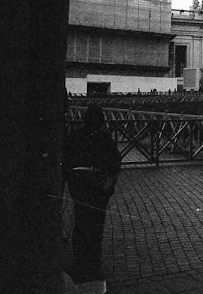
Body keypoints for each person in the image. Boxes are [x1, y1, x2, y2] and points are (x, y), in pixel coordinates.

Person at [63, 104, 121, 285]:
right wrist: (107, 186)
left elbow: (67, 160)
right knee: (96, 225)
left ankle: (80, 260)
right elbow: (115, 162)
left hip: (80, 186)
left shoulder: (76, 136)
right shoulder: (105, 138)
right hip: (97, 187)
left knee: (81, 222)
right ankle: (93, 261)